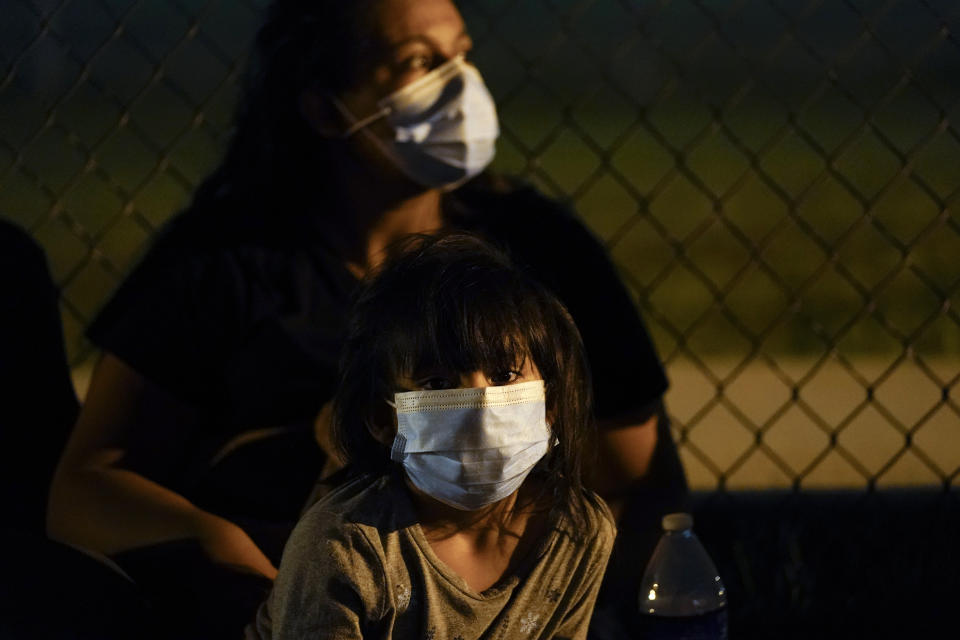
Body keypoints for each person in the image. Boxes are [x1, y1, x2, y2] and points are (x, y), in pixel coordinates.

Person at [47, 0, 686, 635]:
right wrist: (231, 557)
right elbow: (87, 487)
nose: (460, 83)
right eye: (419, 63)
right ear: (326, 106)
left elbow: (641, 481)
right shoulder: (223, 265)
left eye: (460, 53)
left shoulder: (537, 255)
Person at [248, 232, 616, 639]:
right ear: (383, 419)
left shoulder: (577, 532)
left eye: (504, 375)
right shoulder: (346, 545)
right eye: (438, 383)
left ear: (549, 405)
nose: (480, 404)